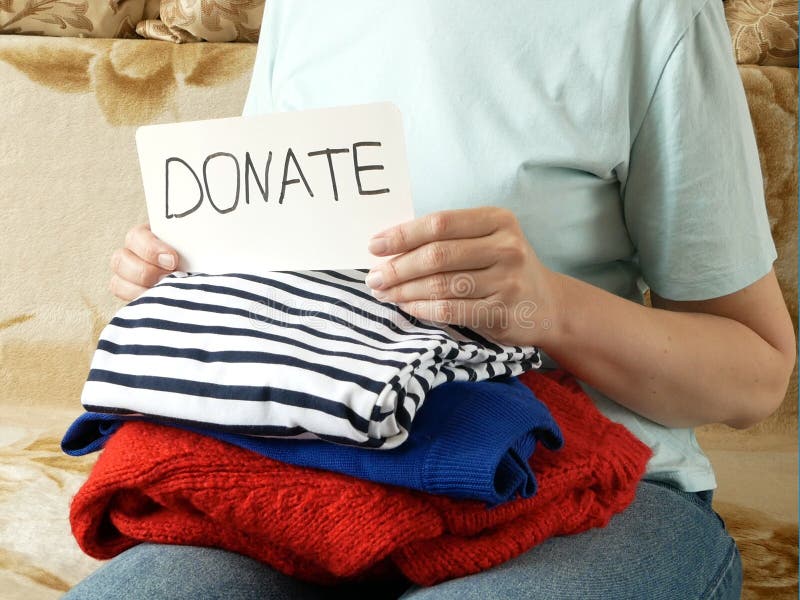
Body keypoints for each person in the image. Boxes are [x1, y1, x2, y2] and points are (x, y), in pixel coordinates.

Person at [68, 0, 796, 598]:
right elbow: (280, 276)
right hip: (323, 468)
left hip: (587, 491)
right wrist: (192, 276)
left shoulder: (653, 15)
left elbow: (757, 370)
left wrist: (549, 309)